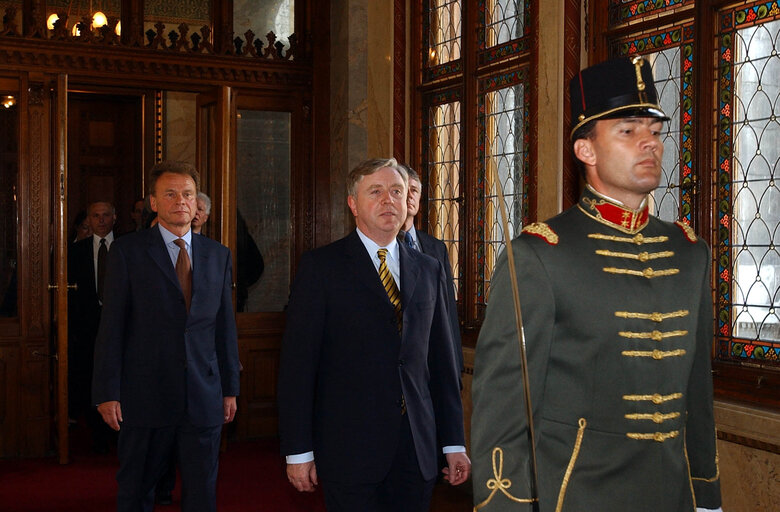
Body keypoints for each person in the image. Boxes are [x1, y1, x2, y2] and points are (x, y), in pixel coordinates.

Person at [470, 56, 722, 512]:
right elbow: (504, 406)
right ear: (585, 150)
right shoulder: (541, 255)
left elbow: (696, 394)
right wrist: (505, 503)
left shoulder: (690, 252)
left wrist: (705, 494)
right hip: (577, 494)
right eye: (628, 131)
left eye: (656, 132)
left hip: (672, 495)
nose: (650, 143)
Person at [278, 158, 471, 512]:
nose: (388, 200)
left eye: (396, 191)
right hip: (349, 447)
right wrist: (299, 450)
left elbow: (443, 363)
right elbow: (298, 367)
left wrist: (453, 443)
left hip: (417, 448)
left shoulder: (429, 268)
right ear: (353, 203)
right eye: (376, 192)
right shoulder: (322, 268)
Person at [92, 161, 240, 512]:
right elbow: (111, 326)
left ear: (196, 203)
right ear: (154, 203)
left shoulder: (218, 255)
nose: (181, 202)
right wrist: (107, 392)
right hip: (144, 396)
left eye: (187, 194)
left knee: (202, 492)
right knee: (137, 490)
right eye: (170, 194)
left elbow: (224, 328)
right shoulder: (128, 252)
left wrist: (230, 387)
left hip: (203, 396)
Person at [397, 164, 463, 374]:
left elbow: (447, 310)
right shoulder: (380, 247)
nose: (409, 196)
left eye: (414, 190)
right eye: (402, 190)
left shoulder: (436, 248)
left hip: (430, 363)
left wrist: (456, 366)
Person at [68, 201, 117, 453]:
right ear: (89, 218)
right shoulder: (77, 251)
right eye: (95, 216)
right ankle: (97, 434)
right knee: (90, 376)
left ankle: (119, 432)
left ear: (114, 218)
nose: (100, 221)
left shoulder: (126, 246)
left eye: (105, 215)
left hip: (120, 324)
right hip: (87, 326)